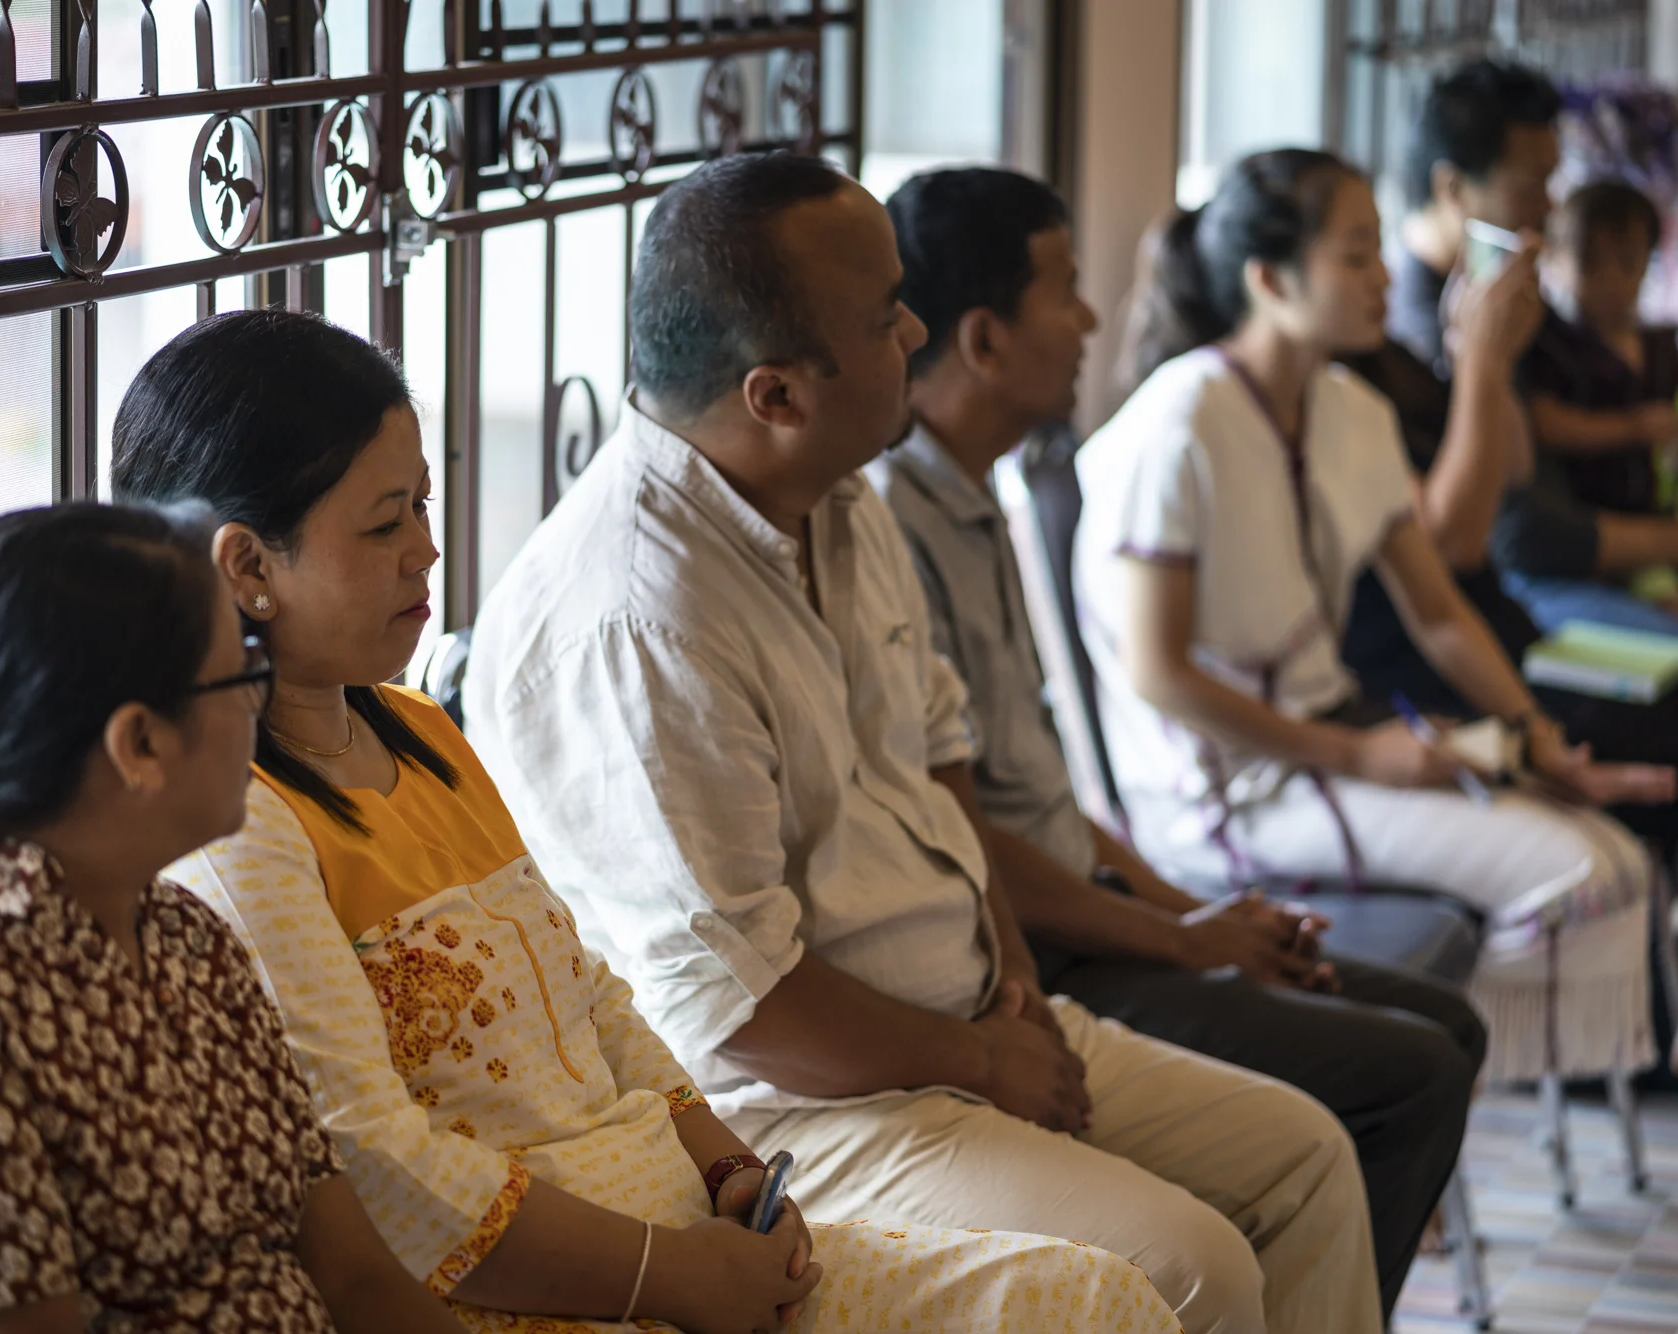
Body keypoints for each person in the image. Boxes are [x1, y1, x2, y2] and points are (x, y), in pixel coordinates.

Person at [110, 307, 1183, 1334]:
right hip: (538, 1297)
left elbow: (589, 993)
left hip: (685, 1243)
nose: (425, 551)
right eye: (385, 522)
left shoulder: (419, 731)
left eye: (424, 506)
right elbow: (381, 1168)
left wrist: (730, 1170)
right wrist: (667, 1275)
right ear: (249, 567)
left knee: (1096, 1300)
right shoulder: (240, 829)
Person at [467, 151, 1384, 1334]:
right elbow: (746, 1013)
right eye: (884, 315)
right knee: (1190, 1266)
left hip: (962, 1021)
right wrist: (981, 1059)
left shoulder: (838, 494)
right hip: (798, 1107)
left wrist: (1014, 989)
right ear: (774, 394)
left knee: (1304, 1155)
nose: (914, 329)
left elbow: (939, 754)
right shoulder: (637, 619)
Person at [870, 164, 1486, 1318]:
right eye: (1063, 290)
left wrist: (1197, 916)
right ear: (984, 339)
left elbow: (1040, 797)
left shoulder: (978, 493)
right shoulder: (892, 525)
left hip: (1091, 903)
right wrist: (1179, 934)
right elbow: (969, 839)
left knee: (1444, 1022)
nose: (1090, 317)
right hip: (1034, 950)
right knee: (1407, 1076)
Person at [0, 503, 474, 1334]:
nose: (261, 707)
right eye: (242, 674)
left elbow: (354, 1277)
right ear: (139, 744)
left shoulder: (185, 937)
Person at [1083, 147, 1675, 1092]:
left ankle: (1424, 1094)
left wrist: (1536, 739)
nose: (1385, 279)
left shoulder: (1350, 410)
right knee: (1582, 878)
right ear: (1271, 280)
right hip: (1226, 797)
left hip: (1325, 753)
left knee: (1617, 855)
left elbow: (1439, 613)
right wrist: (1359, 755)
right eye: (1355, 255)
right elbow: (1159, 674)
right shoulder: (1179, 423)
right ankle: (1427, 1097)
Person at [1340, 57, 1678, 1104]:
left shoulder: (1491, 301)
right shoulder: (1397, 332)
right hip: (1474, 640)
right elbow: (1490, 537)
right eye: (1529, 184)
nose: (1547, 208)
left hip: (1501, 622)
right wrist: (1486, 365)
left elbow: (1519, 480)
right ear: (1452, 188)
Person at [1510, 179, 1678, 684]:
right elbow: (1545, 422)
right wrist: (1629, 428)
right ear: (1555, 260)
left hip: (1671, 497)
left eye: (1627, 263)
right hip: (1614, 518)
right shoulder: (1556, 347)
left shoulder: (1660, 346)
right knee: (1677, 618)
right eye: (1590, 264)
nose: (1610, 282)